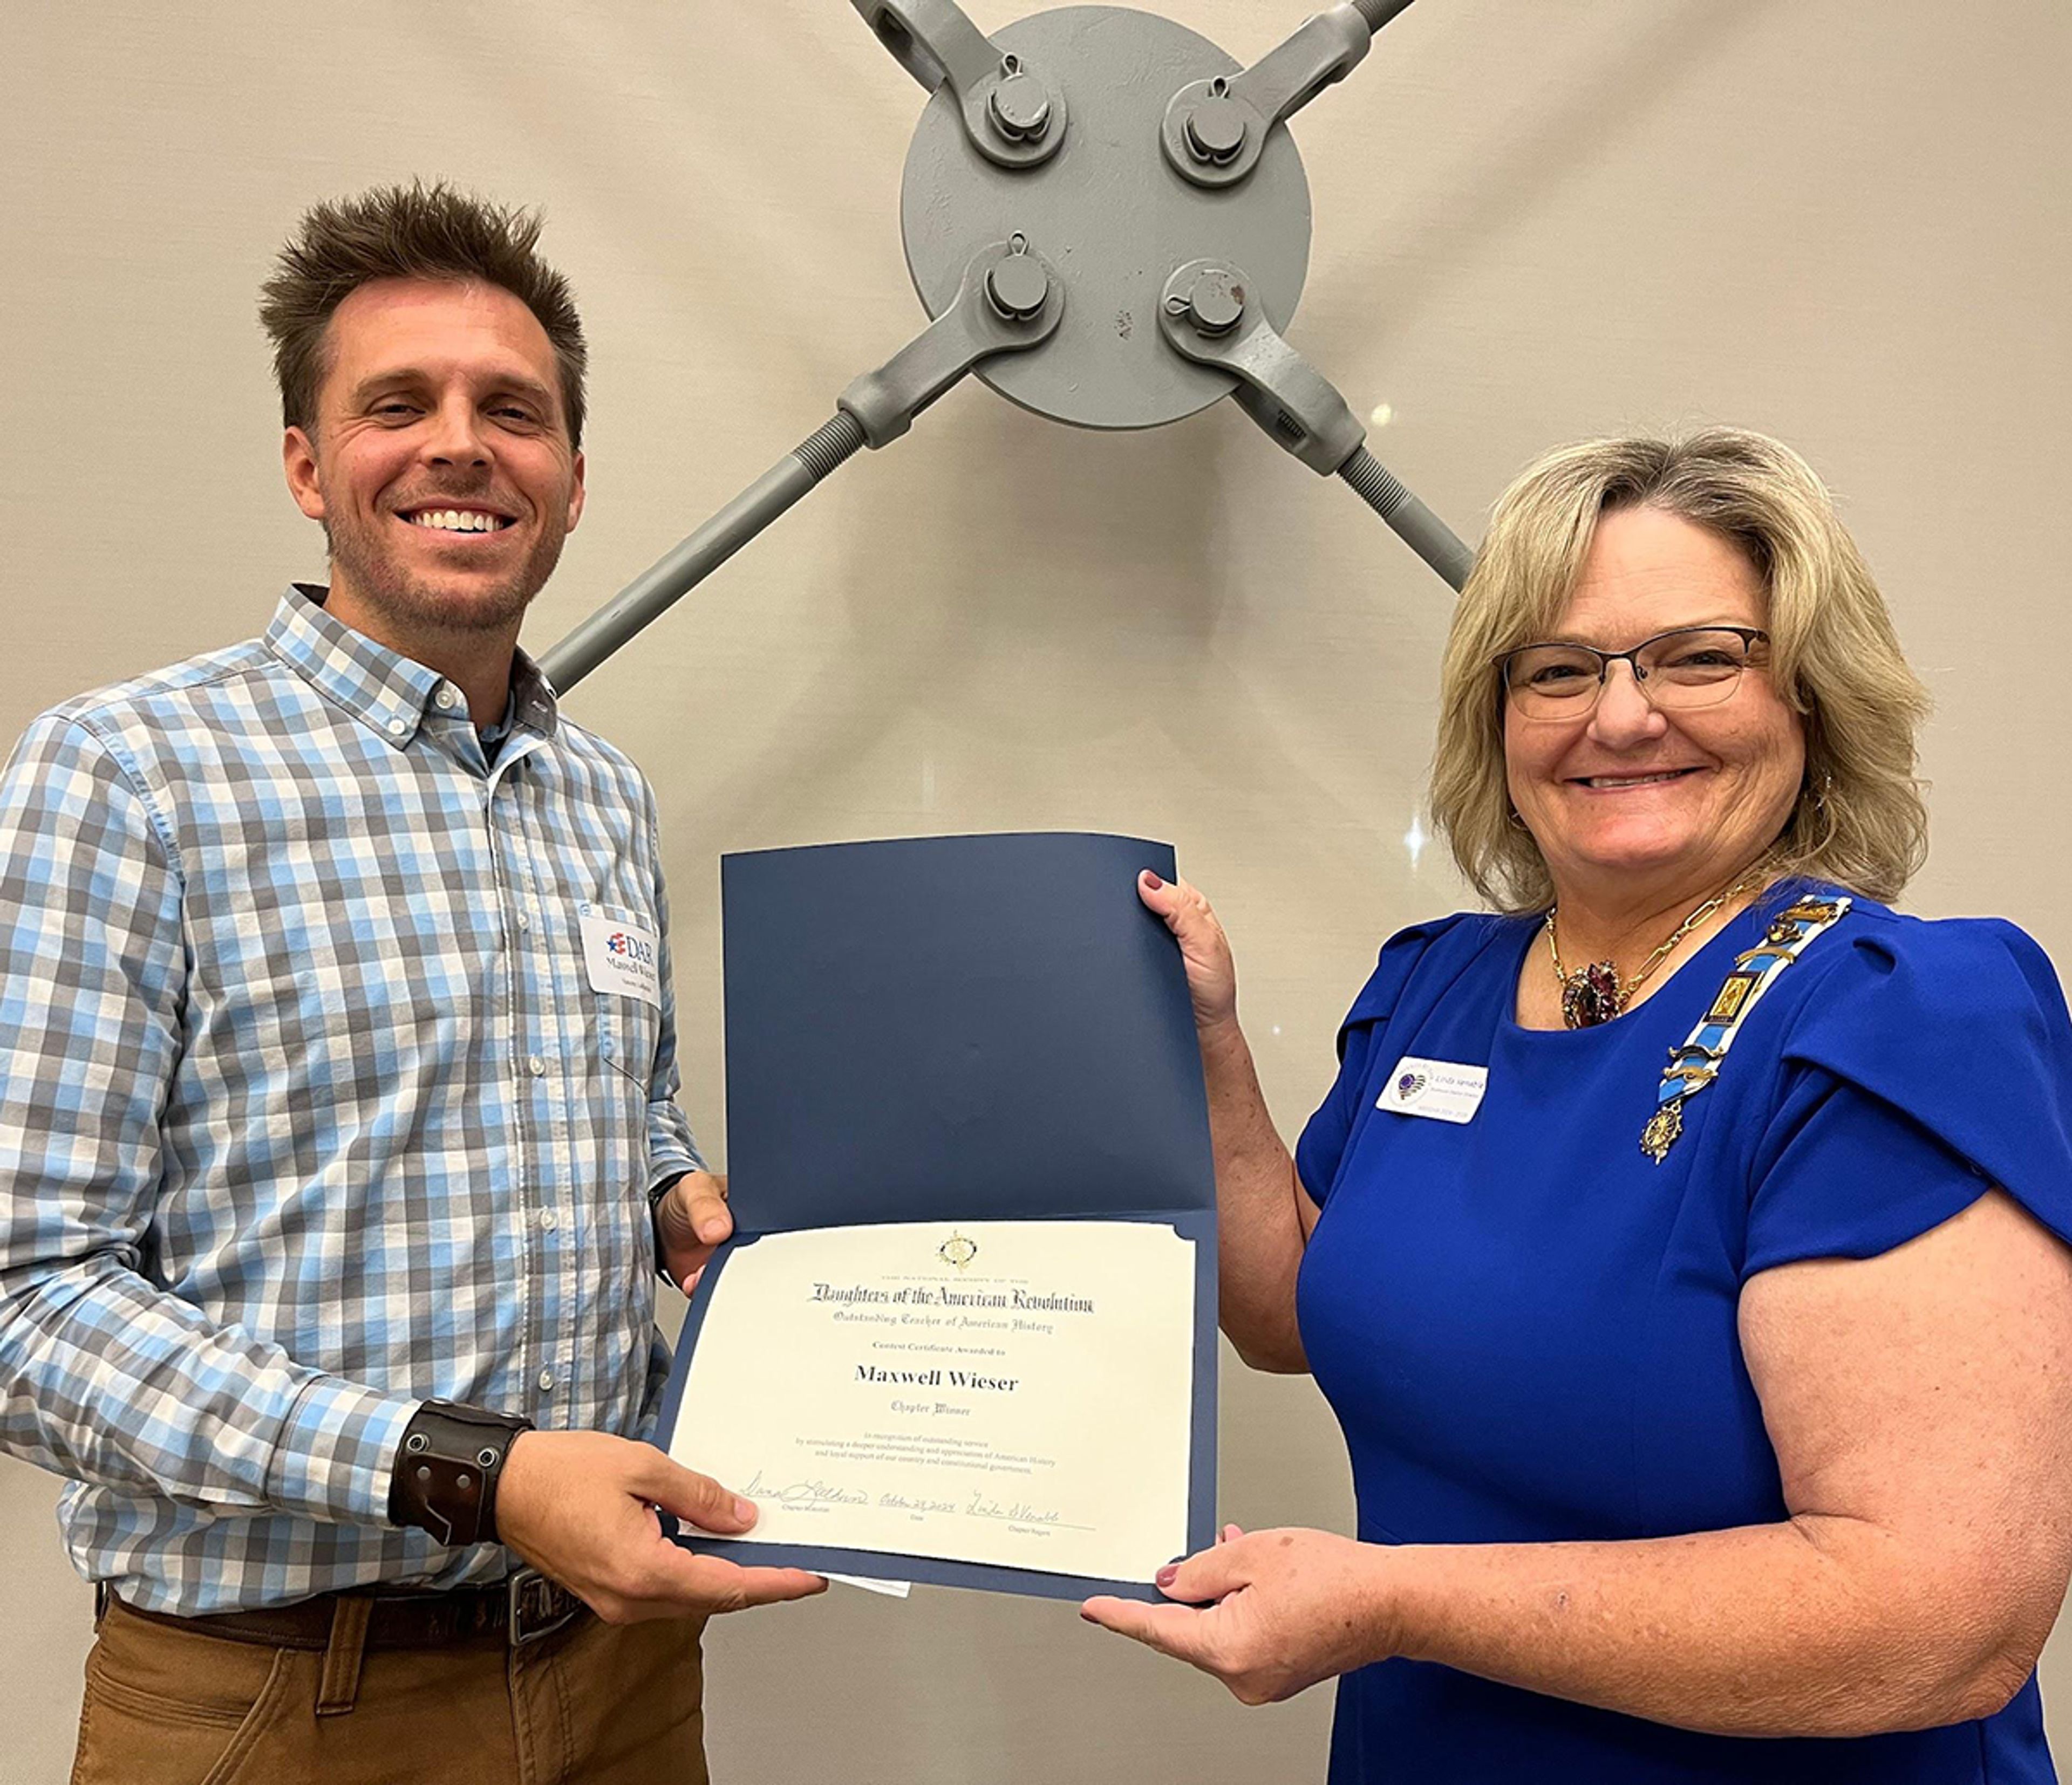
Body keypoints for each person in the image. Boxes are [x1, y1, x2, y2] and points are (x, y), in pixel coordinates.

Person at [1082, 429, 2072, 1782]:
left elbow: (1937, 1618)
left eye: (1699, 655)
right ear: (1499, 717)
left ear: (1810, 696)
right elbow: (1287, 1311)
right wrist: (1202, 1047)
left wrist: (1392, 1599)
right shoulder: (1437, 983)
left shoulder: (1898, 1016)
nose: (1619, 716)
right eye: (1557, 670)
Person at [0, 181, 823, 1785]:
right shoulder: (127, 773)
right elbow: (25, 1298)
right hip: (278, 1700)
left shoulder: (604, 794)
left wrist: (666, 1180)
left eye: (512, 410)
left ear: (572, 480)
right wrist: (475, 1471)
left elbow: (624, 1084)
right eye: (399, 404)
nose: (462, 444)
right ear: (309, 464)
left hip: (621, 1667)